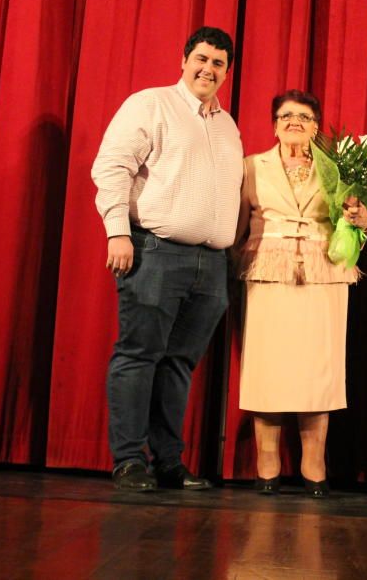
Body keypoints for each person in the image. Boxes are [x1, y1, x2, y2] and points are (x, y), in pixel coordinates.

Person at [91, 26, 243, 491]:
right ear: (183, 60)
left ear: (226, 72)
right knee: (139, 355)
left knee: (178, 364)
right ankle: (130, 460)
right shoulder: (151, 104)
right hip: (155, 250)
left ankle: (169, 463)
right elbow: (112, 166)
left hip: (211, 264)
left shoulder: (228, 124)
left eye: (218, 63)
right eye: (201, 58)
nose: (208, 69)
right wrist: (117, 231)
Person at [233, 89, 367, 498]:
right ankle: (267, 464)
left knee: (317, 371)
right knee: (268, 369)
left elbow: (356, 225)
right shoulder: (250, 167)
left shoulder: (337, 170)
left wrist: (362, 217)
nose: (295, 121)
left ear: (316, 126)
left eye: (305, 116)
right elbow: (236, 225)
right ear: (274, 124)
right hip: (267, 271)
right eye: (286, 115)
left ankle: (314, 464)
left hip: (323, 274)